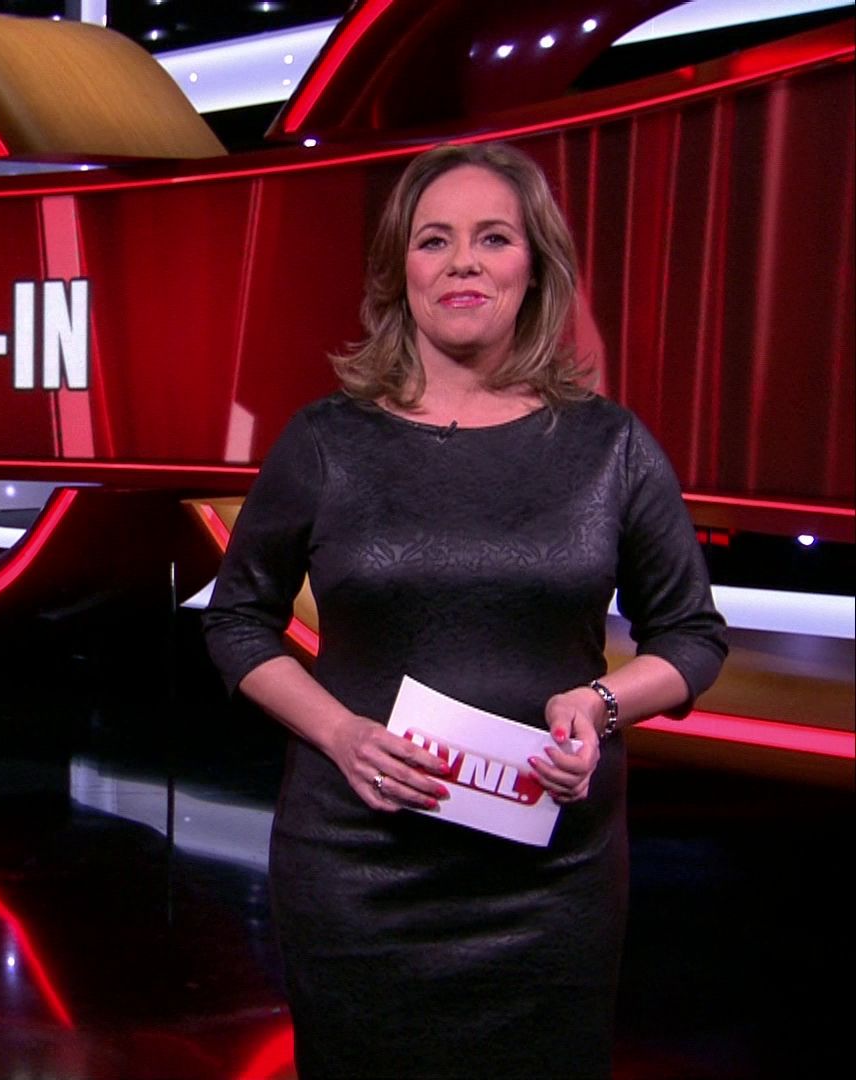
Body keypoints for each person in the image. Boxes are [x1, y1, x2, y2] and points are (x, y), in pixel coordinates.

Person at [202, 142, 728, 1079]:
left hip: (551, 880)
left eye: (493, 238)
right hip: (360, 869)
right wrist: (340, 734)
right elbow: (237, 620)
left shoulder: (609, 445)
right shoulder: (326, 440)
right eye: (434, 240)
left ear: (535, 266)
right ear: (400, 270)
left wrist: (602, 705)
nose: (463, 263)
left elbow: (691, 636)